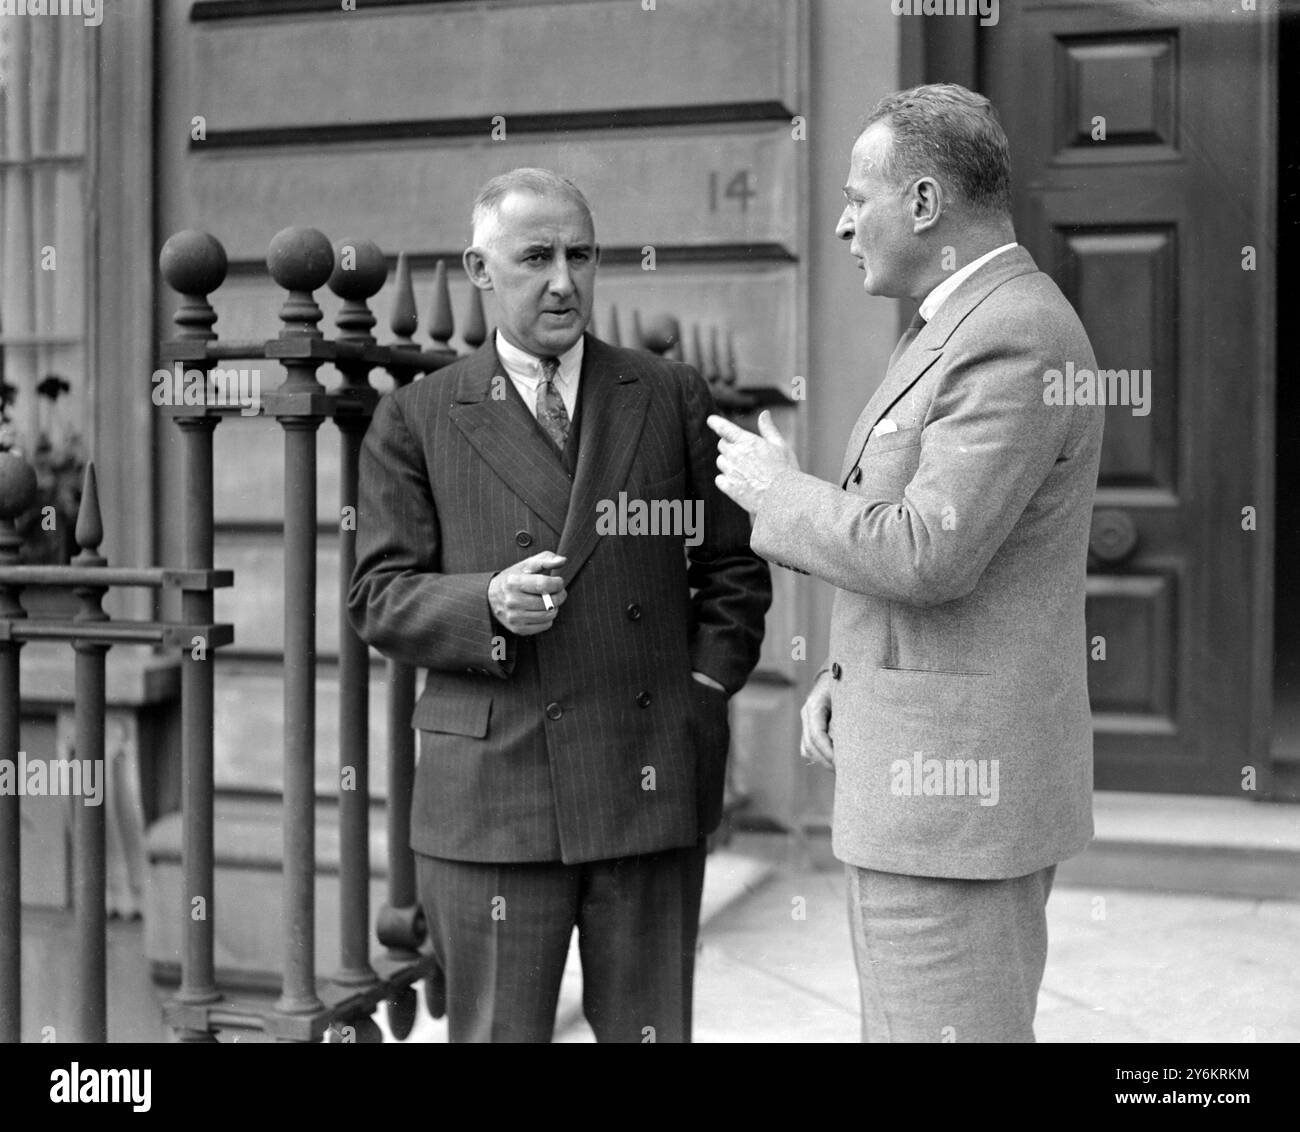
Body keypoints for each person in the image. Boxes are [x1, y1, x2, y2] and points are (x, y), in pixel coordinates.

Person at [709, 84, 1104, 1042]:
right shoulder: (952, 323)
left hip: (953, 812)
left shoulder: (1011, 333)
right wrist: (853, 680)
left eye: (858, 197)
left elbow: (928, 551)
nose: (843, 225)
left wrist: (775, 491)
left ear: (924, 205)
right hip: (921, 784)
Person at [348, 167, 771, 1043]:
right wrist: (487, 604)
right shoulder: (420, 418)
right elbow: (377, 597)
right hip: (497, 794)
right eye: (535, 256)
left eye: (580, 255)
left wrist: (701, 687)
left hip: (646, 771)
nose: (563, 280)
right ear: (479, 267)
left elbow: (732, 567)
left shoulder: (666, 395)